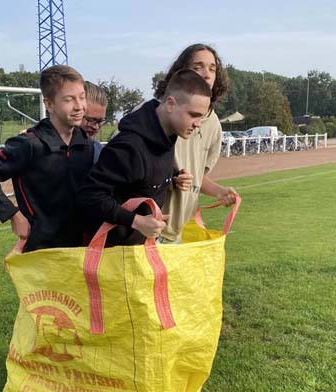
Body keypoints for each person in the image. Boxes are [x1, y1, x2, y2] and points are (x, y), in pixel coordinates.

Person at [76, 69, 212, 246]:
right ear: (170, 104)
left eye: (202, 117)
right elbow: (89, 196)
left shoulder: (167, 137)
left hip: (140, 251)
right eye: (193, 115)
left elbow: (140, 177)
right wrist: (136, 221)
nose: (198, 124)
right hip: (111, 256)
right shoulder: (128, 146)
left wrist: (174, 176)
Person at [0, 64, 93, 252]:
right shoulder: (29, 144)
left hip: (81, 247)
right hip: (41, 250)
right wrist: (13, 214)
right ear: (49, 104)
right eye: (69, 100)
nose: (79, 106)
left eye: (82, 97)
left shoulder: (84, 142)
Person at [155, 44, 239, 243]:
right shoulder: (158, 113)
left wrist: (219, 191)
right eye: (198, 67)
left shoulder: (213, 125)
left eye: (212, 68)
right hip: (147, 230)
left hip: (178, 233)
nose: (206, 74)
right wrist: (170, 179)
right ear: (181, 72)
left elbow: (198, 176)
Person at [82, 81, 108, 163]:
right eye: (91, 120)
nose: (96, 127)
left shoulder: (100, 153)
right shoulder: (46, 151)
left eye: (100, 121)